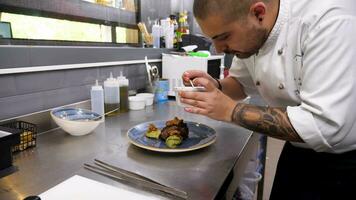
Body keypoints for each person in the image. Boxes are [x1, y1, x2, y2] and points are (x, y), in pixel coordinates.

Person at [179, 0, 356, 199]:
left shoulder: (329, 20)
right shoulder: (253, 34)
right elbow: (241, 83)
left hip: (345, 163)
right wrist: (217, 87)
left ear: (258, 12)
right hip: (297, 149)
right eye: (213, 39)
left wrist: (231, 110)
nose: (219, 49)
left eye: (224, 37)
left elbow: (324, 125)